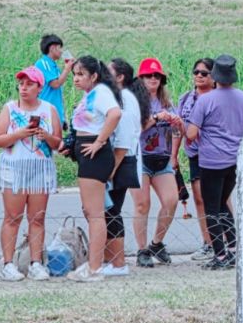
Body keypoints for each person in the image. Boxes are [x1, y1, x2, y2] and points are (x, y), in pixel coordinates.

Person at [186, 55, 243, 270]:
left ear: (214, 76)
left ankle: (220, 254)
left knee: (211, 208)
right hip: (236, 160)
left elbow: (191, 133)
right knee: (223, 202)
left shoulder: (205, 100)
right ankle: (233, 248)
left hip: (212, 161)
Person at [0, 66, 61, 282]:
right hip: (14, 168)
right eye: (21, 84)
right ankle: (7, 263)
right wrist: (19, 133)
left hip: (39, 168)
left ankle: (36, 262)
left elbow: (58, 143)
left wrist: (46, 136)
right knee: (12, 217)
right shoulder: (10, 108)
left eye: (29, 84)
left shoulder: (49, 109)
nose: (24, 88)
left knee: (37, 217)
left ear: (39, 87)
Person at [67, 56, 124, 282]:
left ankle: (94, 267)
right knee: (91, 212)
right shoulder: (89, 95)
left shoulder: (101, 92)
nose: (76, 79)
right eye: (74, 74)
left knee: (95, 214)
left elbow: (115, 113)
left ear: (94, 76)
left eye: (81, 74)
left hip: (95, 152)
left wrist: (100, 141)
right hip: (85, 150)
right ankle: (94, 264)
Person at [132, 57, 183, 269]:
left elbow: (177, 131)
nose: (153, 79)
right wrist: (156, 117)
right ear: (141, 79)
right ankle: (142, 249)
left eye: (156, 76)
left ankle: (156, 243)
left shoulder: (167, 104)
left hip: (162, 157)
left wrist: (177, 124)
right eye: (148, 76)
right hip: (140, 157)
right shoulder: (135, 102)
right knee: (142, 204)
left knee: (171, 200)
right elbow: (135, 128)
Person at [102, 58, 149, 276]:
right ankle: (108, 259)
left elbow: (124, 140)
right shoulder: (116, 97)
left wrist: (110, 170)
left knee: (112, 210)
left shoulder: (125, 99)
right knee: (106, 211)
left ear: (120, 77)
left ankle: (117, 262)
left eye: (108, 71)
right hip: (115, 160)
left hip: (120, 162)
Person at [177, 58, 216, 261]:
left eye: (204, 73)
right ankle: (208, 242)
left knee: (219, 199)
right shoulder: (186, 99)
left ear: (214, 77)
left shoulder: (218, 98)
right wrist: (173, 156)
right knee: (200, 198)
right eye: (196, 72)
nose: (199, 76)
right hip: (194, 153)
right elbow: (178, 128)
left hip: (216, 153)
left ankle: (226, 240)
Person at [35, 34, 74, 126]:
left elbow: (58, 91)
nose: (61, 51)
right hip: (45, 112)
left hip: (55, 111)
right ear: (52, 48)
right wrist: (67, 69)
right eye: (60, 48)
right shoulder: (44, 63)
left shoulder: (53, 65)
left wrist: (63, 117)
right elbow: (55, 84)